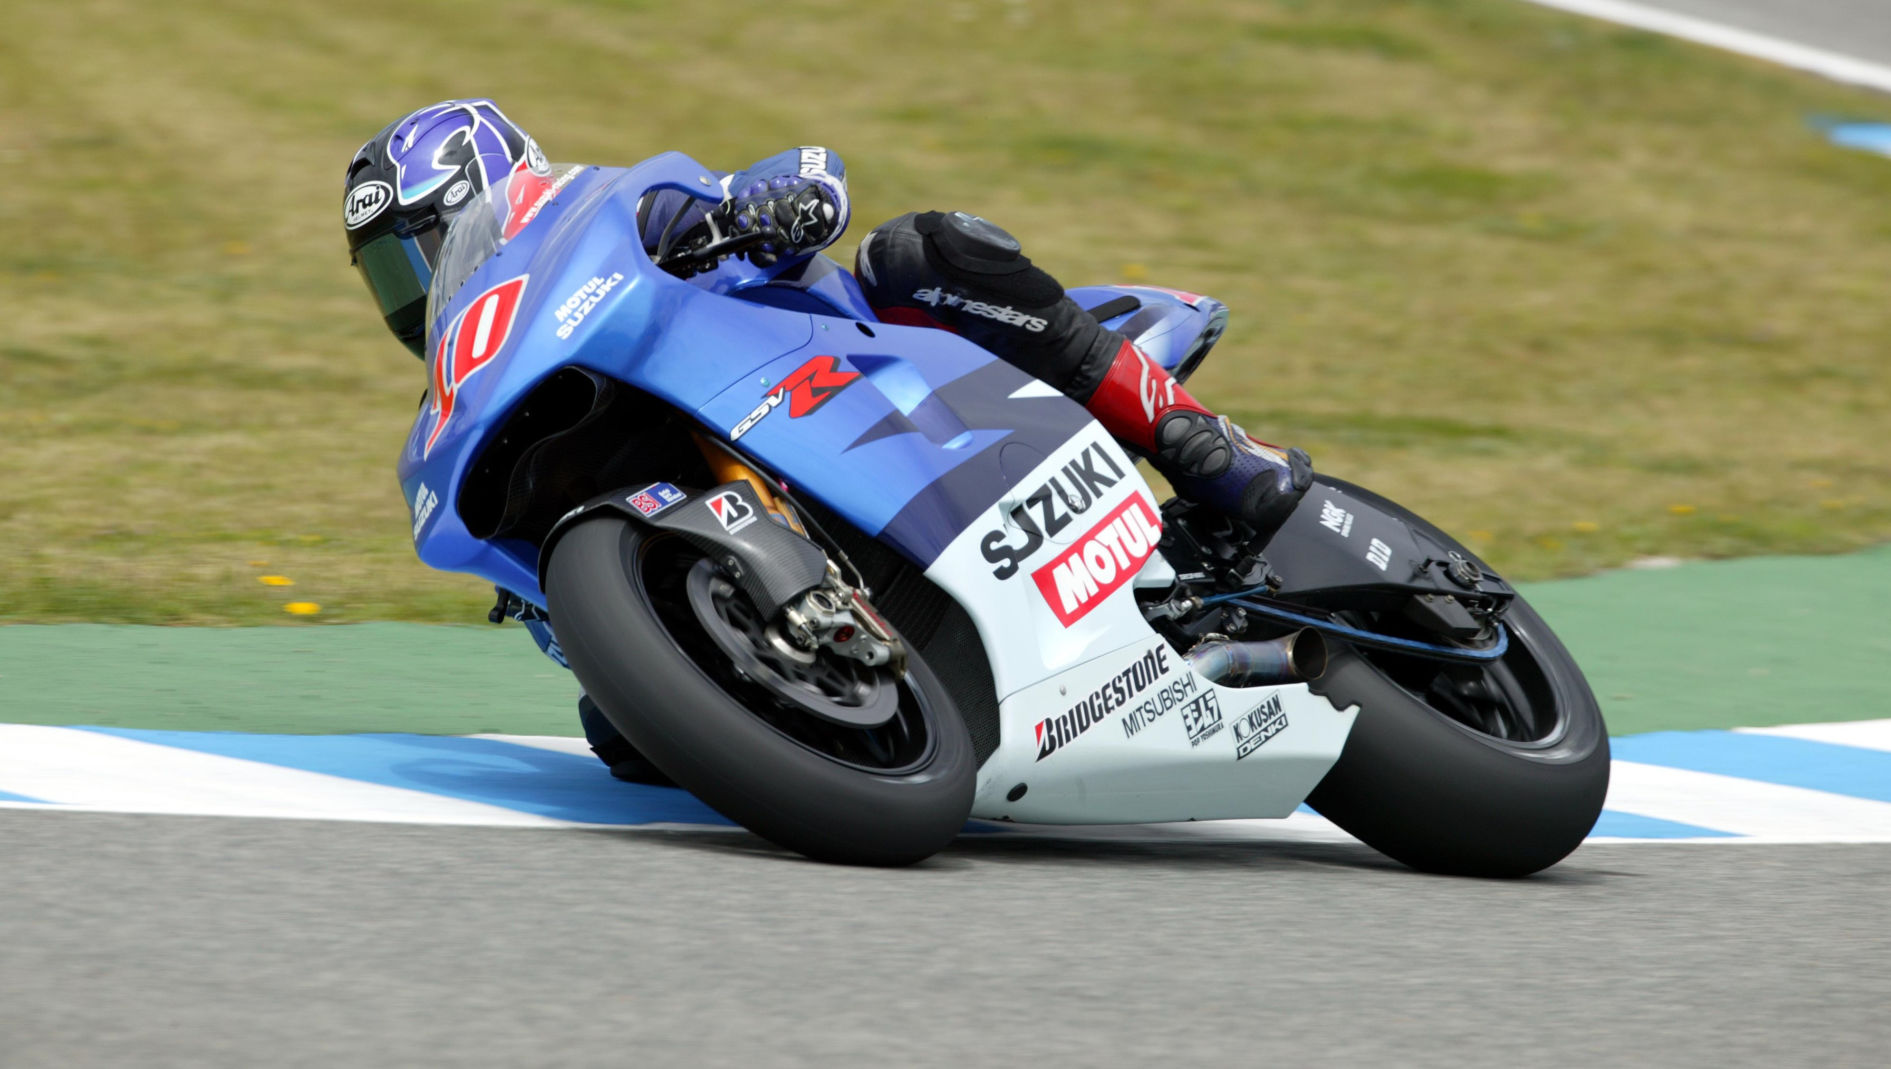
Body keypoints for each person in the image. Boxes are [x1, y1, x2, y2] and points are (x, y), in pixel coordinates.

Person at [345, 99, 1312, 781]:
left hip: (875, 374)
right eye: (388, 272)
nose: (412, 286)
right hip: (798, 513)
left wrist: (767, 207)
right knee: (624, 742)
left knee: (918, 249)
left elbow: (811, 173)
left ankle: (1199, 444)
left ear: (488, 187)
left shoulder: (615, 214)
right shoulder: (489, 367)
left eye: (418, 246)